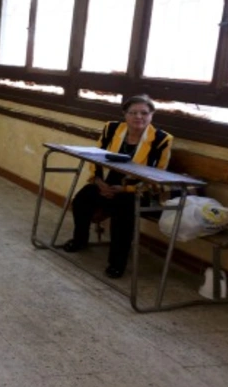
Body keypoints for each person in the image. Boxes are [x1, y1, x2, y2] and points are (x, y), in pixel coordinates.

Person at [62, 95, 173, 279]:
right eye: (133, 113)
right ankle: (79, 240)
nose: (139, 117)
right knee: (82, 199)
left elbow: (157, 175)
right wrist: (98, 181)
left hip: (136, 191)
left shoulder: (162, 140)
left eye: (144, 113)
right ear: (125, 114)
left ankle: (117, 263)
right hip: (105, 183)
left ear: (152, 115)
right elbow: (95, 157)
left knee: (123, 212)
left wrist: (125, 189)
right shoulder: (112, 129)